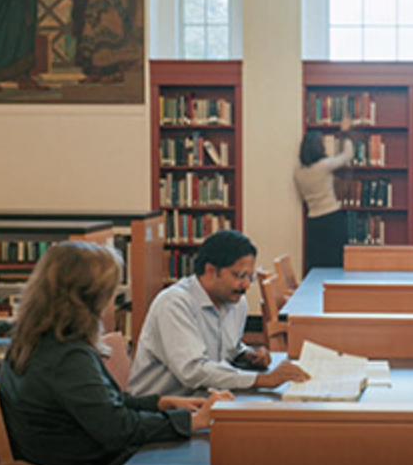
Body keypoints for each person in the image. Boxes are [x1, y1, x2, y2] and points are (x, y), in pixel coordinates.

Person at [0, 241, 233, 465]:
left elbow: (103, 404)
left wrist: (162, 403)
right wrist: (192, 421)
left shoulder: (34, 339)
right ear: (88, 298)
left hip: (77, 457)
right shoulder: (68, 357)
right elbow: (118, 429)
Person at [129, 230, 310, 396]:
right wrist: (262, 379)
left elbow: (226, 349)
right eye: (240, 276)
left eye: (250, 277)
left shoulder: (237, 303)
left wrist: (246, 355)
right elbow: (193, 371)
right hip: (162, 410)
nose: (247, 285)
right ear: (210, 271)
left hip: (206, 399)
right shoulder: (175, 303)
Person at [294, 116, 353, 270]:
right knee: (338, 263)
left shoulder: (298, 172)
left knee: (318, 265)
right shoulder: (324, 166)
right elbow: (347, 155)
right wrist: (345, 134)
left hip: (313, 222)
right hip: (332, 219)